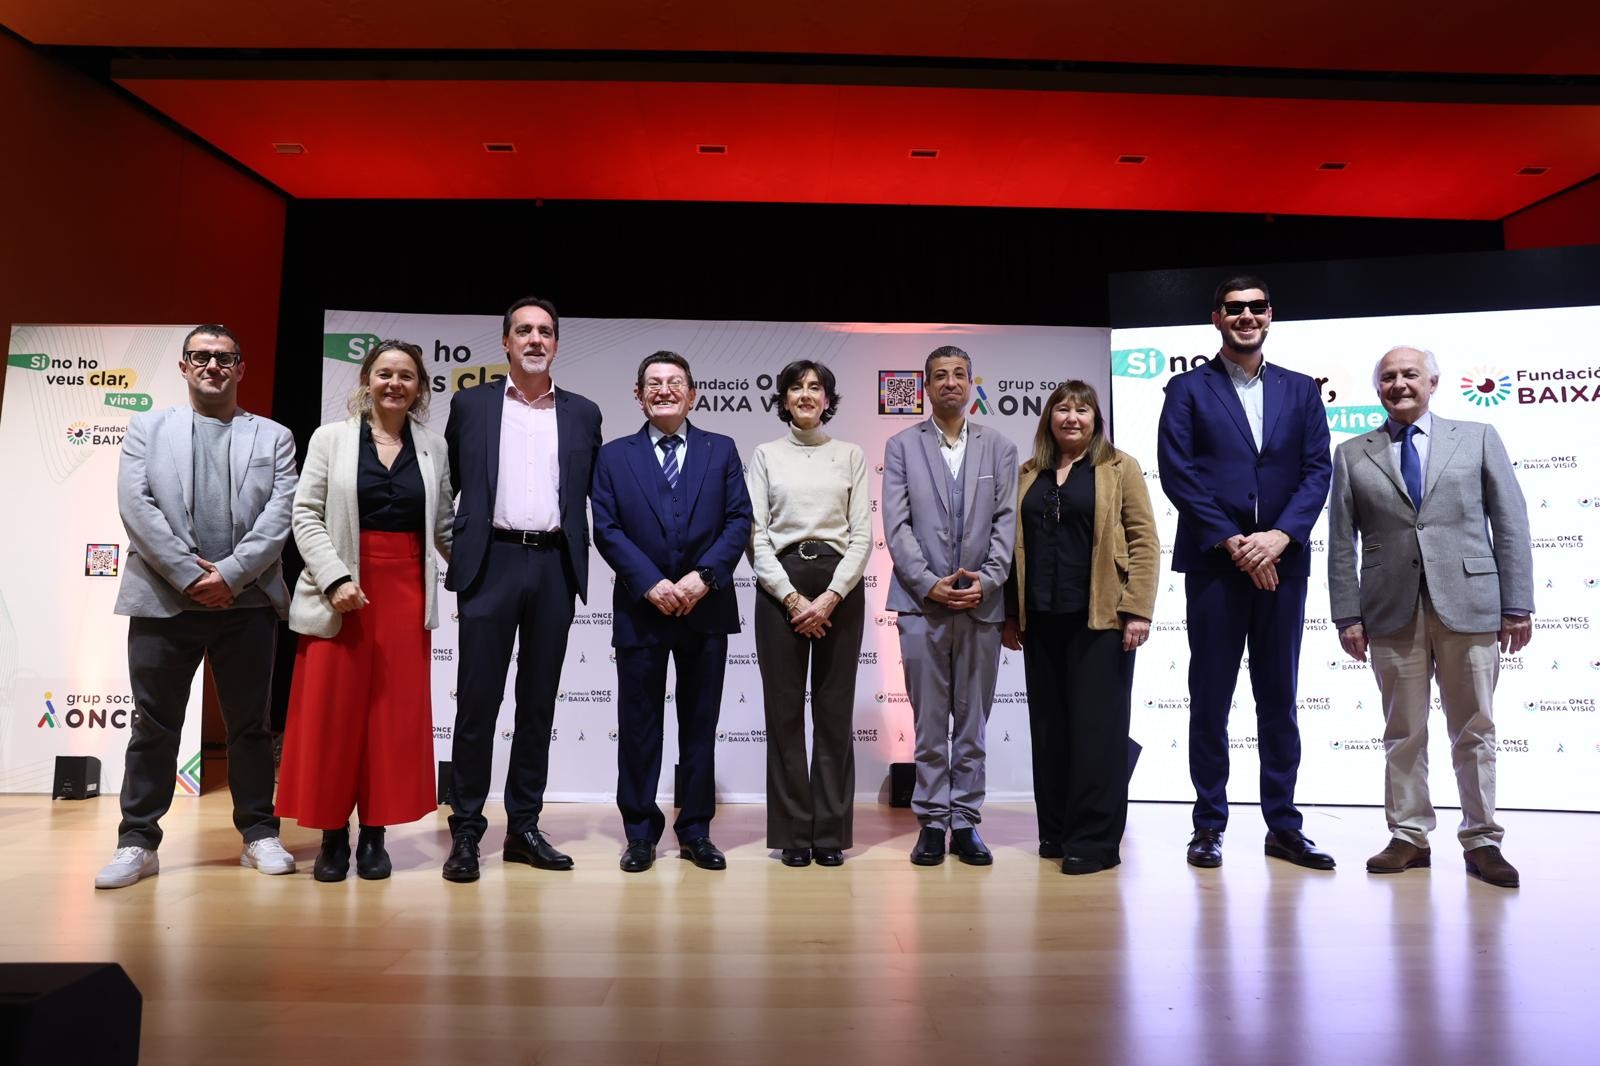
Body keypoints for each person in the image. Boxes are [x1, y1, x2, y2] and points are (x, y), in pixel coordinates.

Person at [95, 325, 298, 889]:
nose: (213, 366)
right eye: (201, 356)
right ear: (184, 366)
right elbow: (135, 506)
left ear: (240, 368)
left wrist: (230, 575)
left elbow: (280, 515)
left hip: (247, 603)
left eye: (224, 358)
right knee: (154, 726)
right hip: (164, 600)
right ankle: (137, 841)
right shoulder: (148, 427)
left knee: (251, 726)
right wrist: (190, 576)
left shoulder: (274, 436)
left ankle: (259, 833)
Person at [1329, 346, 1532, 888]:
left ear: (1433, 382)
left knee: (1475, 729)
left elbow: (1510, 522)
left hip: (1471, 603)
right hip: (1390, 610)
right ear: (1378, 389)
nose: (1399, 384)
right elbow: (1341, 542)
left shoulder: (1479, 437)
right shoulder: (1351, 454)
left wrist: (1517, 605)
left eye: (1410, 374)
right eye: (1388, 377)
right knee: (1403, 732)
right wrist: (1347, 615)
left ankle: (1483, 839)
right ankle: (1409, 836)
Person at [1156, 276, 1335, 871]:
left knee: (1279, 699)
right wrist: (1236, 542)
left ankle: (1283, 826)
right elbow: (1178, 472)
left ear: (1270, 314)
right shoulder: (1187, 388)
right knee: (1210, 698)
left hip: (1284, 564)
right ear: (1217, 318)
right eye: (1235, 308)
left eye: (1257, 307)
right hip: (1216, 564)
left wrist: (1279, 538)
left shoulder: (1301, 389)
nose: (1247, 316)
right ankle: (1208, 824)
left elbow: (1316, 470)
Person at [276, 340, 454, 881]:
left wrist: (487, 574)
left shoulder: (433, 446)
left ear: (420, 387)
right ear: (366, 381)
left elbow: (444, 527)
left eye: (406, 376)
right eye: (384, 373)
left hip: (405, 594)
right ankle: (333, 835)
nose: (394, 383)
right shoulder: (329, 438)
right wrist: (335, 578)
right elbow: (305, 514)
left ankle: (375, 834)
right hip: (340, 591)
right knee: (333, 716)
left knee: (390, 720)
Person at [440, 297, 603, 882]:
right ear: (506, 342)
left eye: (545, 332)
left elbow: (592, 493)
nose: (535, 339)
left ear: (556, 344)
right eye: (524, 331)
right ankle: (466, 830)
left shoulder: (584, 413)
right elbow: (446, 484)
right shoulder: (471, 405)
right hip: (492, 563)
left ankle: (524, 828)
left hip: (555, 565)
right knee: (477, 703)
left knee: (538, 704)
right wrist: (455, 548)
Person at [591, 352, 753, 872]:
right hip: (641, 610)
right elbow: (606, 529)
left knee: (700, 725)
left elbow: (738, 520)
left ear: (693, 394)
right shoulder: (612, 456)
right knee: (638, 726)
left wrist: (704, 577)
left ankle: (696, 831)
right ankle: (640, 834)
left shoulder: (720, 449)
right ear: (638, 395)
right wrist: (651, 583)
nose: (664, 390)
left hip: (707, 607)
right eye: (654, 383)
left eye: (675, 382)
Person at [1003, 381, 1158, 875]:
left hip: (1102, 621)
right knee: (1050, 730)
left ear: (1096, 420)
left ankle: (1094, 841)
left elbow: (1144, 541)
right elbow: (1009, 549)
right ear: (1048, 418)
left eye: (1083, 409)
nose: (1072, 417)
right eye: (1063, 409)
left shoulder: (1120, 467)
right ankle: (1056, 830)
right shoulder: (1028, 473)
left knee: (1098, 733)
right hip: (1040, 621)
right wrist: (1010, 614)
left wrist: (1138, 610)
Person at [883, 345, 1018, 867]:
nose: (950, 383)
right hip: (922, 605)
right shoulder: (901, 446)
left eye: (960, 374)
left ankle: (965, 821)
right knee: (929, 720)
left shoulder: (999, 447)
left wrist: (989, 580)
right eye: (939, 375)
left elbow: (1006, 522)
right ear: (926, 386)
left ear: (971, 384)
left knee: (973, 722)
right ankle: (932, 822)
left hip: (983, 604)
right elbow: (896, 525)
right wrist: (928, 583)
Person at [746, 360, 871, 867]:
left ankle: (831, 833)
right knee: (784, 715)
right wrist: (793, 598)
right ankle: (794, 834)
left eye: (815, 387)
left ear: (828, 399)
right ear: (783, 399)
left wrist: (832, 595)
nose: (805, 394)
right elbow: (755, 536)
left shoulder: (851, 455)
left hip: (840, 587)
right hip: (781, 587)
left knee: (834, 713)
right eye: (796, 387)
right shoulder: (765, 455)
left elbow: (862, 535)